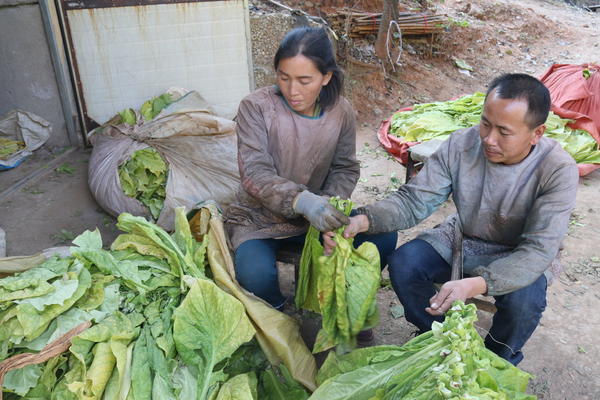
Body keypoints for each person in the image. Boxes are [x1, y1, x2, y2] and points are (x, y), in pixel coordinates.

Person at [324, 73, 579, 365]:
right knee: (404, 264)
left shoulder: (558, 169)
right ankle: (441, 339)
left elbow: (538, 250)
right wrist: (362, 220)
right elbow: (412, 202)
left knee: (525, 303)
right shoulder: (461, 145)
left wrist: (476, 284)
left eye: (504, 132)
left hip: (522, 255)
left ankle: (497, 359)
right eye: (485, 123)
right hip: (464, 236)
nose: (489, 139)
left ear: (536, 133)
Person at [224, 26, 398, 315]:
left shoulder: (341, 111)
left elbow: (344, 168)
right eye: (284, 77)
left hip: (316, 218)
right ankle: (280, 319)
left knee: (385, 236)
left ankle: (343, 306)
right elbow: (255, 172)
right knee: (255, 275)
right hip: (260, 220)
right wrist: (302, 201)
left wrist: (328, 204)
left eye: (305, 80)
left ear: (326, 77)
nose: (293, 90)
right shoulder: (255, 107)